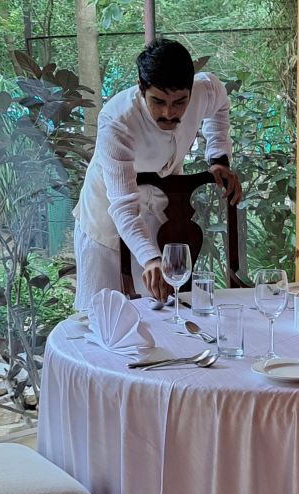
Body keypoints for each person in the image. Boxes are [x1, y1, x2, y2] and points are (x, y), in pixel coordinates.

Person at [72, 38, 242, 309]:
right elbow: (124, 207)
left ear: (190, 91)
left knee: (159, 311)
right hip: (106, 216)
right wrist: (149, 259)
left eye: (179, 102)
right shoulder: (117, 122)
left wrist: (219, 157)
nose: (169, 113)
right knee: (99, 318)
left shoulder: (204, 90)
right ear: (141, 89)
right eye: (158, 101)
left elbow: (221, 105)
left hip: (159, 211)